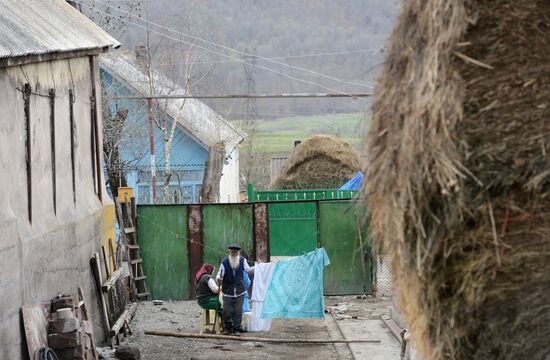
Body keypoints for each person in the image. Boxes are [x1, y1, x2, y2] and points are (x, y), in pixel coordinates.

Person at [216, 244, 254, 335]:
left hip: (240, 290)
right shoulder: (224, 262)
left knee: (238, 310)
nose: (234, 254)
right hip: (227, 291)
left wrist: (259, 267)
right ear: (230, 252)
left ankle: (237, 328)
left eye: (236, 252)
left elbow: (248, 270)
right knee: (226, 310)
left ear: (238, 253)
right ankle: (228, 328)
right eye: (232, 252)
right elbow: (219, 274)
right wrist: (218, 279)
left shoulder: (242, 260)